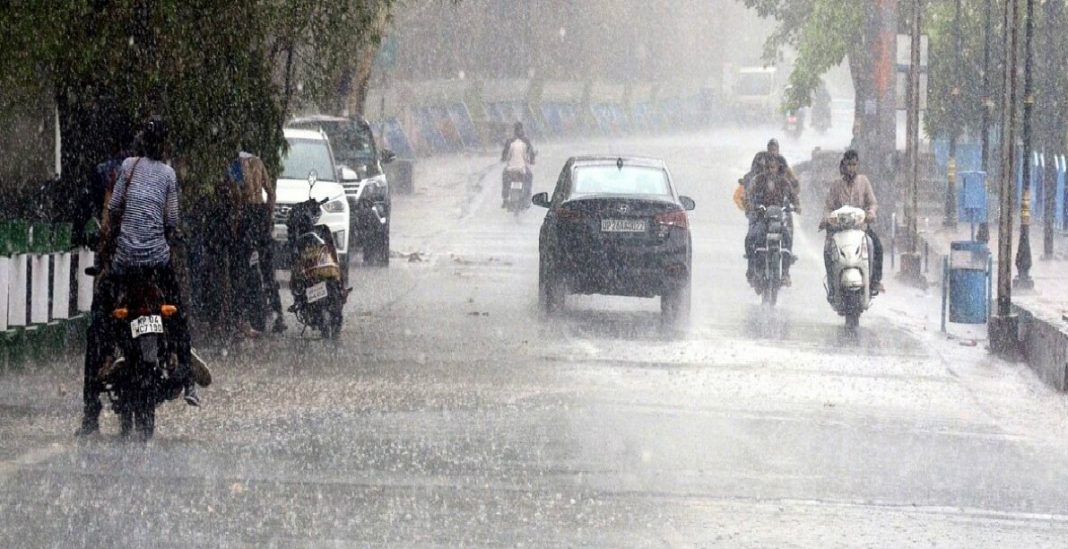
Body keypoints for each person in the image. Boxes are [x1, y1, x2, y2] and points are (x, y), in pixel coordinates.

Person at [102, 116, 202, 405]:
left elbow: (115, 206)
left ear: (142, 142)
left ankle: (105, 361)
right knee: (177, 312)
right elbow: (171, 219)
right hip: (156, 262)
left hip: (125, 262)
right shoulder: (169, 175)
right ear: (165, 144)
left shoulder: (128, 167)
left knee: (105, 311)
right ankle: (186, 375)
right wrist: (170, 235)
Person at [227, 150, 284, 335]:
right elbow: (271, 193)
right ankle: (278, 314)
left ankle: (243, 318)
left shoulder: (235, 164)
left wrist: (237, 220)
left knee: (242, 269)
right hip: (260, 214)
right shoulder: (258, 162)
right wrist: (267, 214)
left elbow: (236, 194)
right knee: (267, 268)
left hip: (246, 215)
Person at [821, 150, 884, 295]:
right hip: (839, 230)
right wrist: (827, 219)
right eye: (849, 165)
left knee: (876, 246)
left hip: (860, 229)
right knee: (827, 250)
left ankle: (874, 281)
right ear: (843, 166)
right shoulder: (836, 185)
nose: (851, 168)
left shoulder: (864, 181)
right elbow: (828, 207)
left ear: (858, 165)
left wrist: (871, 214)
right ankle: (832, 286)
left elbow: (872, 203)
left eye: (854, 165)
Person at [745, 154, 800, 286]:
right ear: (764, 168)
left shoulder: (784, 182)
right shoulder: (758, 180)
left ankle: (785, 273)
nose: (770, 170)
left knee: (786, 237)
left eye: (773, 167)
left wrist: (797, 205)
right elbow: (749, 195)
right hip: (762, 218)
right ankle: (754, 270)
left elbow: (793, 196)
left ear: (777, 168)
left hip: (778, 220)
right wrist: (750, 205)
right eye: (768, 167)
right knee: (752, 237)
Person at [500, 122, 535, 207]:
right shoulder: (526, 141)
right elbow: (531, 154)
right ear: (522, 129)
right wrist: (532, 160)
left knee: (505, 177)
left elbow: (505, 154)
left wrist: (503, 158)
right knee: (529, 177)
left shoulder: (510, 141)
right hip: (522, 169)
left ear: (514, 130)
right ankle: (527, 197)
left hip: (511, 169)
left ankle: (505, 199)